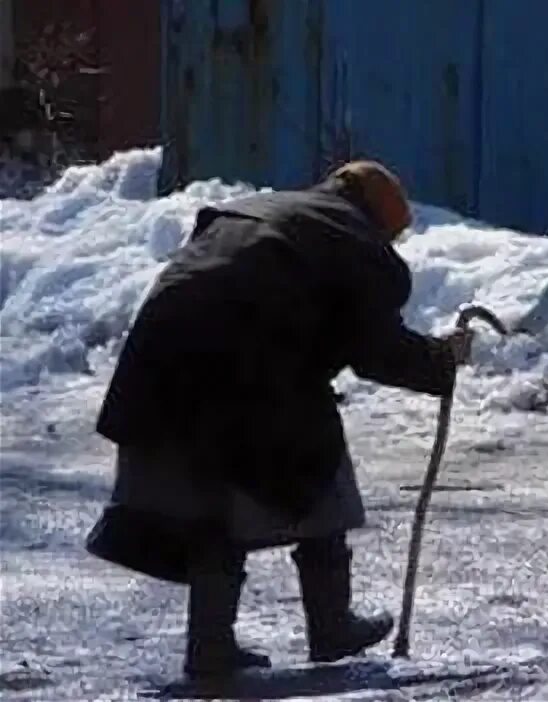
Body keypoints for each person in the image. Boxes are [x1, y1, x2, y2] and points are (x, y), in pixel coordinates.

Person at [85, 160, 474, 677]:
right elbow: (375, 349)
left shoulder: (262, 210)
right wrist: (439, 359)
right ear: (382, 221)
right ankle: (331, 625)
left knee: (214, 497)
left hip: (159, 356)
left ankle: (211, 644)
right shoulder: (356, 240)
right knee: (315, 458)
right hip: (245, 365)